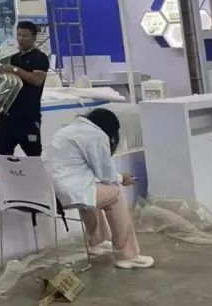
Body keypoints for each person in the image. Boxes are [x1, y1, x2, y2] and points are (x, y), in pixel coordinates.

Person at [43, 108, 153, 270]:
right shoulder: (96, 135)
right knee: (114, 193)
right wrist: (122, 178)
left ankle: (97, 242)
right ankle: (127, 255)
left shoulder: (68, 130)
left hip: (50, 192)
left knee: (95, 192)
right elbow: (106, 174)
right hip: (69, 191)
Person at [0, 20, 50, 156]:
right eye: (18, 35)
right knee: (0, 155)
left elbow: (37, 80)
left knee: (33, 156)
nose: (21, 39)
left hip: (27, 117)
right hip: (7, 116)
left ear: (34, 37)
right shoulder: (12, 58)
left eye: (25, 36)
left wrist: (15, 70)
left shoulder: (40, 58)